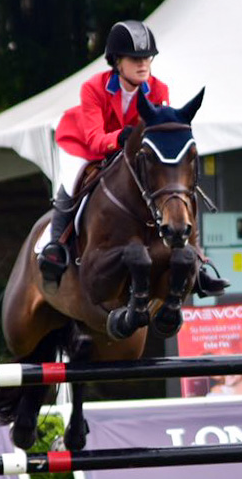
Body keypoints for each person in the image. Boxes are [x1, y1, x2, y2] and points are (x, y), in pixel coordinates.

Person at [38, 20, 229, 297]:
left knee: (174, 184)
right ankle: (56, 245)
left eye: (147, 58)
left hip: (131, 150)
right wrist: (121, 137)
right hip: (83, 145)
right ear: (117, 62)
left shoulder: (158, 89)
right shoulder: (93, 88)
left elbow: (158, 134)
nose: (143, 65)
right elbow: (94, 138)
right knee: (72, 180)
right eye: (135, 58)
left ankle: (196, 260)